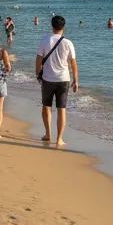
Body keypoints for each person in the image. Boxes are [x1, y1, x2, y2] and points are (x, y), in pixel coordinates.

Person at [35, 15, 78, 149]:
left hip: (48, 78)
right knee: (61, 110)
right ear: (63, 27)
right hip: (64, 79)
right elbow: (73, 63)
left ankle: (48, 134)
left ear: (52, 26)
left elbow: (38, 59)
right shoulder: (68, 42)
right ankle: (59, 139)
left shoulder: (45, 40)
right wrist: (76, 80)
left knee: (46, 107)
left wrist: (38, 74)